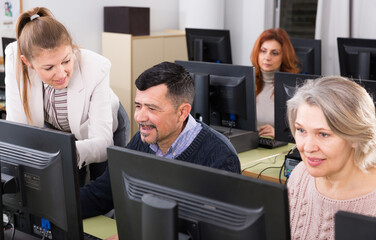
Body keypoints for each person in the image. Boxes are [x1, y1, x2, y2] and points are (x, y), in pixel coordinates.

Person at [80, 61, 241, 219]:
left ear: (183, 112)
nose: (139, 117)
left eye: (152, 108)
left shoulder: (220, 156)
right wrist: (58, 207)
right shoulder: (141, 141)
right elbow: (103, 192)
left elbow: (215, 230)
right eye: (138, 106)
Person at [4, 7, 129, 186]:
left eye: (66, 61)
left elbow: (102, 144)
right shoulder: (15, 58)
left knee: (105, 189)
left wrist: (59, 150)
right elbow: (18, 132)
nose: (61, 74)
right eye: (49, 68)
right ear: (27, 63)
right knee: (68, 192)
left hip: (101, 127)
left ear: (71, 48)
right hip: (58, 129)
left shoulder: (96, 68)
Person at [286, 76, 376, 240]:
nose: (308, 147)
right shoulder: (300, 176)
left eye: (323, 134)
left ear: (356, 137)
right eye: (301, 130)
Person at [250, 28, 299, 138]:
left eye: (274, 53)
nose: (267, 57)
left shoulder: (293, 88)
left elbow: (303, 131)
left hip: (278, 149)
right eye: (263, 51)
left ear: (284, 57)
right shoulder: (248, 82)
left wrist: (280, 133)